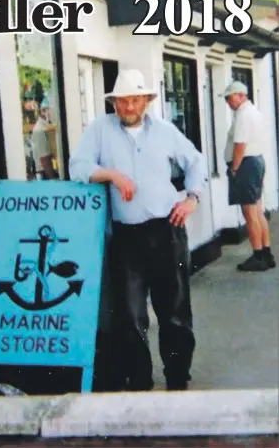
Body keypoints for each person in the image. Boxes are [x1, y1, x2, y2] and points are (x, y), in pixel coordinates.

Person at [69, 69, 207, 391]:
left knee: (174, 311)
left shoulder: (164, 130)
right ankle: (140, 381)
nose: (129, 106)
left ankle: (177, 378)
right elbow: (77, 166)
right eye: (122, 101)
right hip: (126, 236)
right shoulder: (99, 130)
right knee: (130, 315)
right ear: (114, 103)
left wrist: (192, 198)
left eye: (135, 99)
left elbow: (196, 162)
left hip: (167, 230)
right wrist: (111, 175)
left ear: (146, 100)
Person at [222, 80, 276, 272]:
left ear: (241, 95)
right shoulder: (252, 112)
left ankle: (258, 255)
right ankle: (266, 253)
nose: (228, 102)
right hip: (255, 161)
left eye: (230, 98)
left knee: (249, 211)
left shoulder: (244, 115)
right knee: (257, 209)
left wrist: (235, 168)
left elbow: (240, 145)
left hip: (246, 164)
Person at [31, 96, 55, 180]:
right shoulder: (39, 129)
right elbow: (44, 159)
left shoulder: (47, 126)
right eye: (50, 110)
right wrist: (53, 180)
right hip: (45, 174)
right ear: (43, 111)